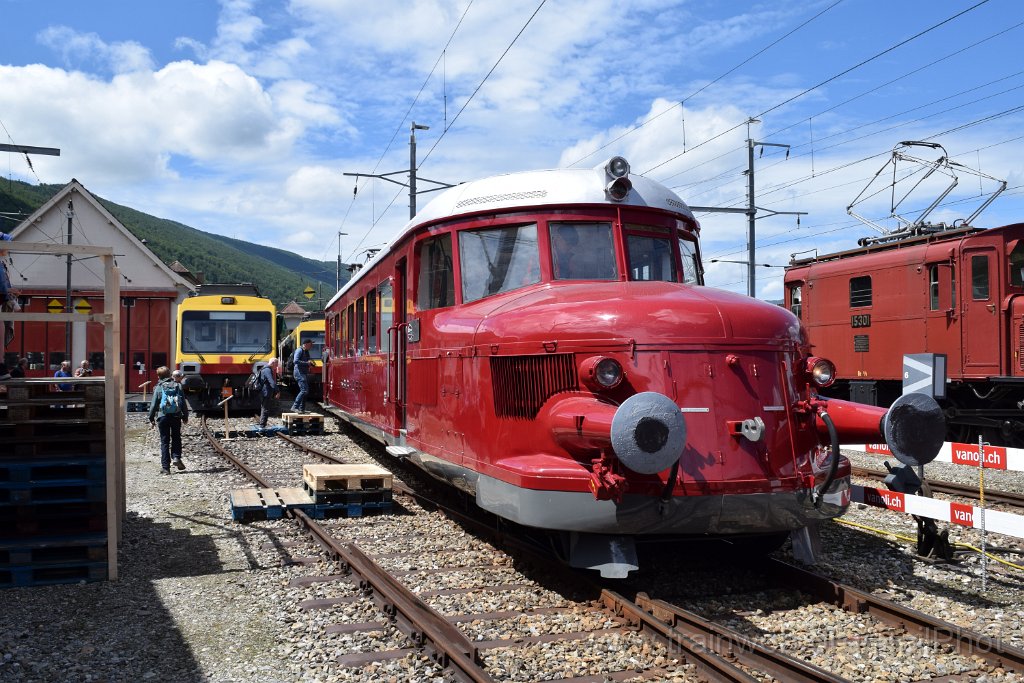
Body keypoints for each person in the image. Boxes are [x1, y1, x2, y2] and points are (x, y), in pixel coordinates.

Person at [148, 365, 189, 475]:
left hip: (163, 417)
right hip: (176, 416)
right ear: (170, 374)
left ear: (158, 376)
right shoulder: (177, 385)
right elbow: (183, 403)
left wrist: (151, 418)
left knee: (164, 441)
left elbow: (153, 405)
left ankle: (166, 468)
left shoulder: (159, 387)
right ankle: (176, 457)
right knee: (176, 438)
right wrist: (185, 416)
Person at [290, 338, 314, 413]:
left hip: (303, 373)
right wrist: (307, 363)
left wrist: (311, 363)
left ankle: (302, 409)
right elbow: (295, 361)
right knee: (304, 390)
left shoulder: (306, 351)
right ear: (306, 344)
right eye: (310, 344)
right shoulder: (299, 350)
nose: (311, 346)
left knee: (306, 391)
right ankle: (295, 407)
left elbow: (307, 360)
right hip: (299, 373)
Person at [257, 358, 281, 429]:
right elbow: (271, 382)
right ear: (273, 363)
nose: (276, 366)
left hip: (264, 391)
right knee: (265, 408)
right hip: (266, 392)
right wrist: (278, 391)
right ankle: (262, 425)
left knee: (264, 407)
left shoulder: (264, 369)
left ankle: (262, 424)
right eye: (276, 364)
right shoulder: (267, 370)